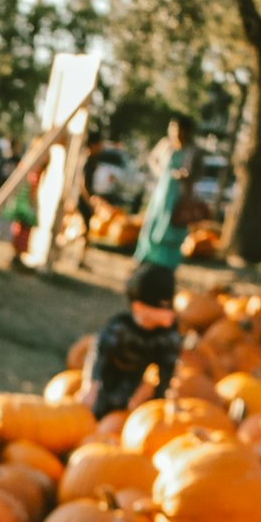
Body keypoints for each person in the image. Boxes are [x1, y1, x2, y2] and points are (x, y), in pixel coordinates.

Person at [79, 262, 182, 420]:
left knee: (129, 413)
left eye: (171, 305)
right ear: (139, 307)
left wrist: (157, 405)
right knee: (95, 412)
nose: (170, 312)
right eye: (162, 307)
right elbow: (99, 354)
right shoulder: (121, 328)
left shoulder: (168, 337)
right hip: (108, 380)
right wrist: (91, 386)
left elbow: (166, 374)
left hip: (135, 383)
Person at [134, 113, 203, 269]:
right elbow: (153, 159)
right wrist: (162, 173)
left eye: (178, 128)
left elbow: (199, 172)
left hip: (180, 194)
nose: (175, 132)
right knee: (154, 222)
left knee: (173, 226)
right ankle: (147, 257)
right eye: (172, 127)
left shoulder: (192, 150)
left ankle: (167, 262)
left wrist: (187, 176)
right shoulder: (165, 144)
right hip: (163, 192)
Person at [75, 127, 105, 267]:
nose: (102, 147)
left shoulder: (92, 159)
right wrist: (89, 200)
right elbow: (82, 183)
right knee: (81, 229)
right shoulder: (88, 159)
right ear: (93, 144)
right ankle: (76, 257)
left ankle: (81, 259)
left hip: (85, 199)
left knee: (84, 230)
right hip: (82, 199)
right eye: (100, 143)